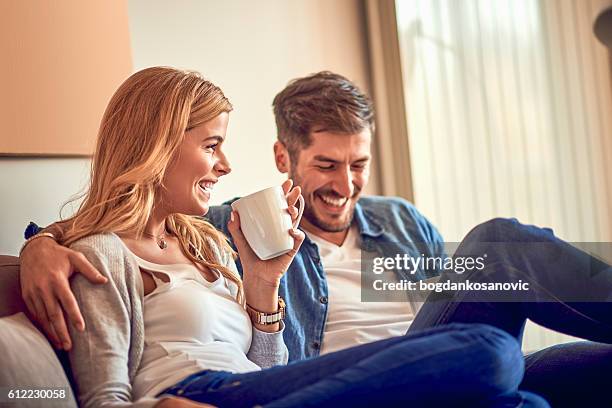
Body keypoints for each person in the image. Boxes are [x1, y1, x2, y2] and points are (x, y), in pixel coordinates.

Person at [19, 71, 611, 406]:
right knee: (495, 347)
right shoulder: (238, 227)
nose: (345, 184)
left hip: (426, 363)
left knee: (567, 356)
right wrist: (39, 243)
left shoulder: (400, 223)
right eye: (327, 165)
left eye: (358, 164)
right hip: (345, 383)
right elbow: (111, 235)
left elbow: (461, 308)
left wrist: (260, 289)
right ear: (285, 156)